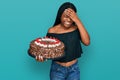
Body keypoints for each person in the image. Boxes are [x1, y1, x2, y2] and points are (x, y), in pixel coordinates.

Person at [36, 2, 90, 80]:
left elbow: (87, 42)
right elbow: (48, 51)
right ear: (60, 15)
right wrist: (42, 58)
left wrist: (77, 20)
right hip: (57, 70)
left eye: (71, 17)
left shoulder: (76, 28)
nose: (68, 20)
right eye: (65, 16)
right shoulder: (52, 31)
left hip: (74, 69)